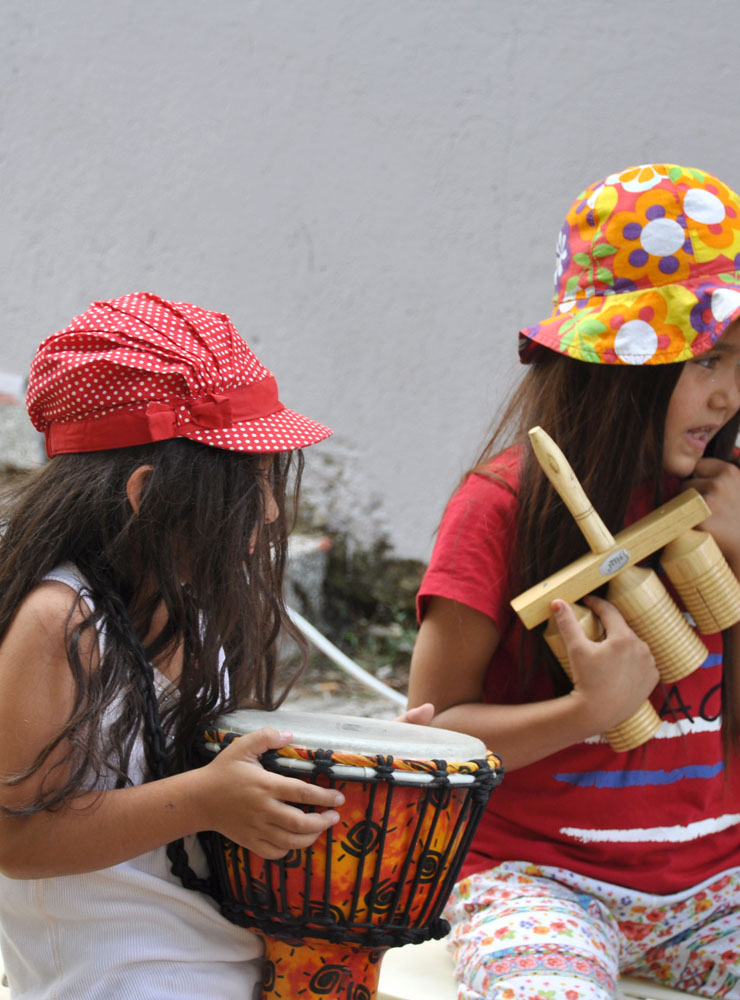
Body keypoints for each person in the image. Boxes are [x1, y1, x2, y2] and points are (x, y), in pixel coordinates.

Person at [408, 165, 740, 999]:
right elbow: (434, 739)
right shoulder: (500, 507)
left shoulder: (731, 496)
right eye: (706, 358)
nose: (726, 394)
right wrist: (585, 713)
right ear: (619, 362)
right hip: (533, 878)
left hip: (715, 884)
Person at [0, 292, 430, 999]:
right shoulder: (59, 621)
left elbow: (213, 769)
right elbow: (17, 841)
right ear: (146, 495)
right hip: (119, 980)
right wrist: (205, 800)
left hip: (226, 960)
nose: (268, 509)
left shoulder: (190, 605)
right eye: (248, 485)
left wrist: (360, 758)